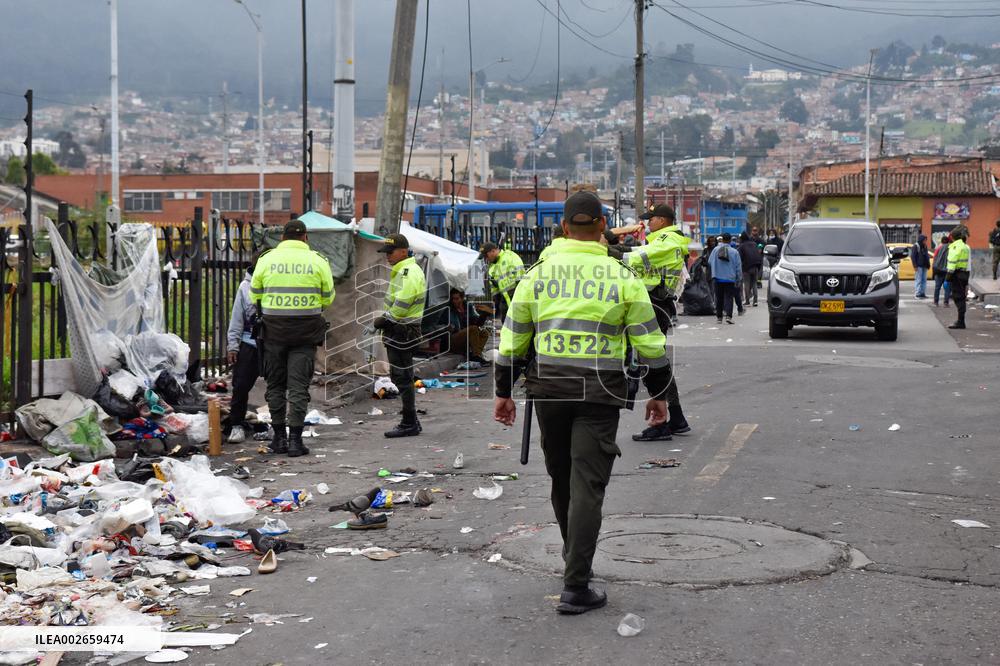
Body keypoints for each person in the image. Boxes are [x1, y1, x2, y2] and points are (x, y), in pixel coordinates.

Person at [494, 190, 671, 615]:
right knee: (587, 486)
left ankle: (574, 560)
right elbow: (650, 343)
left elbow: (514, 338)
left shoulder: (537, 275)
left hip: (549, 391)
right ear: (604, 228)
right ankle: (576, 583)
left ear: (563, 227)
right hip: (599, 393)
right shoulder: (621, 275)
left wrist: (503, 391)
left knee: (561, 478)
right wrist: (659, 395)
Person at [251, 219, 334, 457]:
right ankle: (296, 442)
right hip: (305, 334)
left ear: (283, 238)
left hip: (273, 333)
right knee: (298, 387)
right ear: (305, 237)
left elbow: (255, 294)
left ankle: (279, 439)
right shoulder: (318, 261)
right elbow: (327, 297)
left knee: (275, 385)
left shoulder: (267, 260)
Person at [622, 204, 693, 442]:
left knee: (653, 364)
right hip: (655, 304)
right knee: (656, 364)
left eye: (650, 219)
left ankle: (663, 422)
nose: (647, 223)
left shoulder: (668, 240)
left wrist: (606, 248)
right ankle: (677, 418)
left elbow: (631, 258)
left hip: (655, 305)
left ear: (662, 220)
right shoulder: (661, 240)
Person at [374, 233, 427, 438]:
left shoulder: (407, 271)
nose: (387, 256)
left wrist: (385, 319)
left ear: (403, 251)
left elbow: (403, 303)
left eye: (391, 252)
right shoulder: (403, 270)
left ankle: (408, 423)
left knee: (402, 377)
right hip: (401, 329)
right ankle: (411, 420)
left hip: (402, 330)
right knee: (402, 376)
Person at [224, 252, 261, 444]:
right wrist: (233, 346)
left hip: (272, 342)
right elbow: (237, 319)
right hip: (249, 343)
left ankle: (277, 427)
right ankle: (236, 425)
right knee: (240, 387)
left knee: (278, 386)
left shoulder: (276, 284)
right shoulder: (246, 287)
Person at [480, 241, 525, 323]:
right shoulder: (491, 268)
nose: (486, 259)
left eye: (486, 256)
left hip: (518, 299)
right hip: (506, 305)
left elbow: (521, 278)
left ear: (493, 251)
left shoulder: (509, 257)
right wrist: (495, 309)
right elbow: (495, 292)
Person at [447, 288, 489, 363]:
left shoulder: (468, 307)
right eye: (453, 299)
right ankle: (476, 356)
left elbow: (477, 323)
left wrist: (484, 314)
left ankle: (475, 355)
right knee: (473, 328)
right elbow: (452, 326)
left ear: (462, 298)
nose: (454, 301)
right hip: (454, 339)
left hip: (466, 337)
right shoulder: (450, 309)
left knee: (484, 333)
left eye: (457, 299)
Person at [709, 232, 742, 324]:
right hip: (730, 278)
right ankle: (728, 317)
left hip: (717, 278)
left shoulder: (715, 250)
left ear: (722, 239)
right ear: (730, 240)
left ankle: (719, 317)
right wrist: (738, 279)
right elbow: (738, 267)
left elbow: (709, 262)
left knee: (719, 298)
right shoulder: (735, 252)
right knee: (729, 298)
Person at [945, 227, 971, 329]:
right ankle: (961, 320)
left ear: (953, 237)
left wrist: (948, 277)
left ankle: (960, 322)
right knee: (961, 297)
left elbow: (952, 262)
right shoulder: (964, 246)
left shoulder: (955, 247)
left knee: (958, 298)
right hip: (963, 273)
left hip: (957, 274)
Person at [737, 231, 763, 307]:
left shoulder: (741, 246)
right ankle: (755, 301)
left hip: (746, 268)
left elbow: (739, 258)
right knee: (754, 283)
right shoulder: (754, 244)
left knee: (746, 284)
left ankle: (747, 301)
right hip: (755, 267)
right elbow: (758, 254)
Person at [932, 235, 951, 307]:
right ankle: (946, 303)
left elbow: (935, 258)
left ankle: (936, 302)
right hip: (947, 270)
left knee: (937, 287)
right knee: (947, 287)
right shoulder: (950, 248)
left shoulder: (938, 248)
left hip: (938, 270)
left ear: (941, 241)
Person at [910, 234, 931, 299]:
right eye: (924, 240)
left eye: (926, 240)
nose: (925, 241)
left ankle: (922, 293)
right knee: (918, 280)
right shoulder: (916, 246)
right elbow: (913, 256)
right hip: (919, 266)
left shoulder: (925, 246)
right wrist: (915, 266)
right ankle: (917, 294)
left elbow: (927, 256)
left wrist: (928, 264)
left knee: (924, 280)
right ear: (921, 240)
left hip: (924, 266)